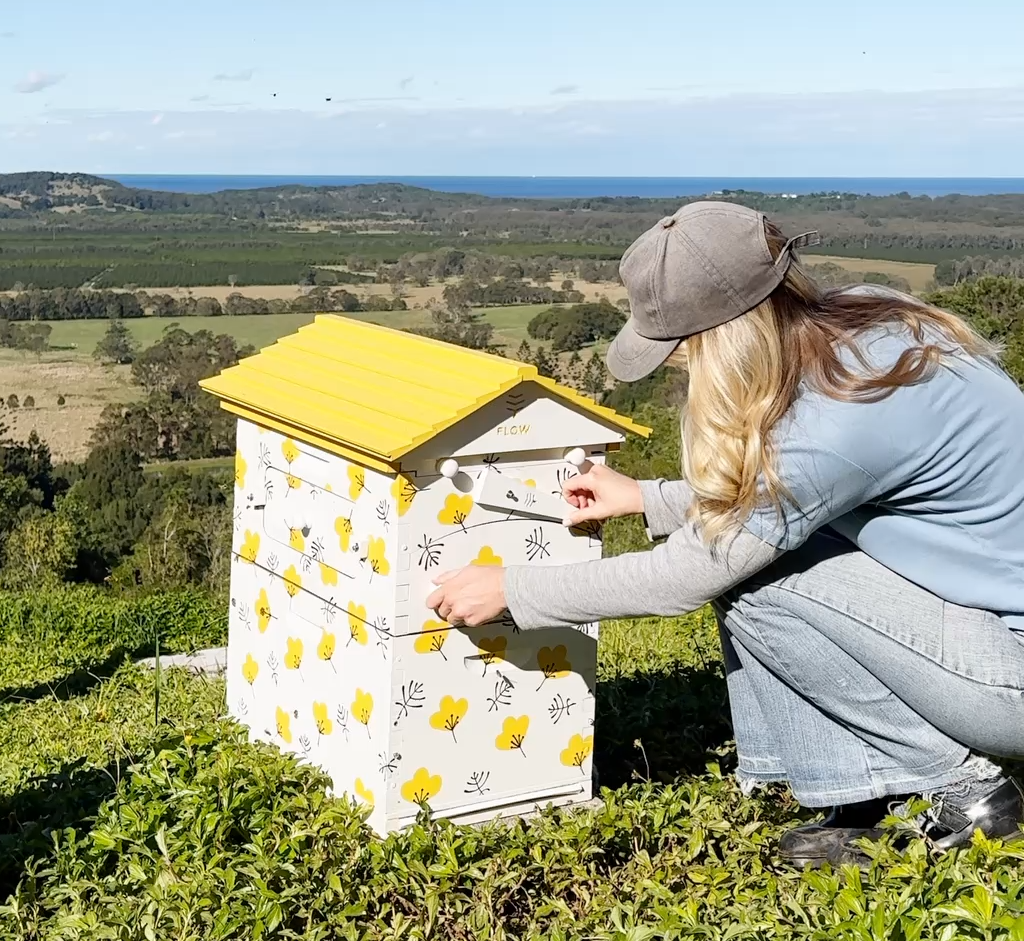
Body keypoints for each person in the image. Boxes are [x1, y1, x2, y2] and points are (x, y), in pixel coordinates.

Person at [426, 200, 1024, 868]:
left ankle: (968, 795)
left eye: (682, 349)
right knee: (769, 554)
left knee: (755, 580)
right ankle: (875, 793)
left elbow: (690, 571)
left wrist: (514, 590)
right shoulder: (865, 322)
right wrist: (647, 497)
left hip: (1013, 676)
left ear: (727, 338)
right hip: (992, 629)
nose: (682, 365)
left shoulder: (838, 420)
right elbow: (798, 493)